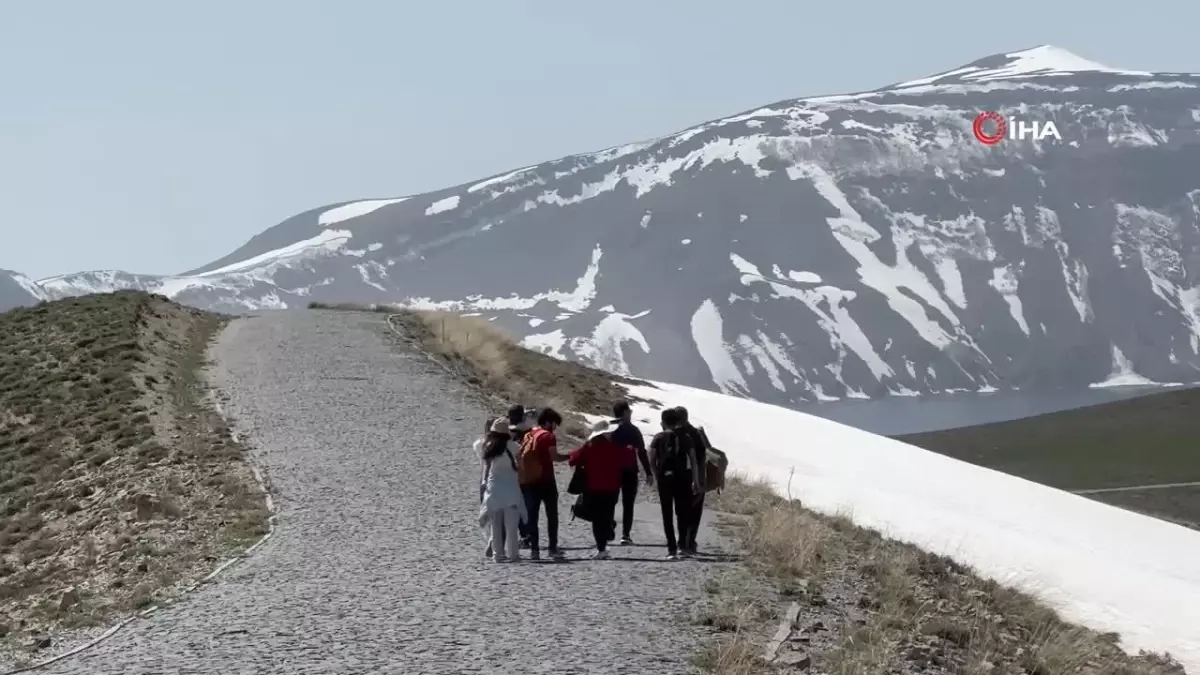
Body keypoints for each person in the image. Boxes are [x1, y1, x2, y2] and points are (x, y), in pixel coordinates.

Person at [567, 419, 632, 559]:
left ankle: (601, 548)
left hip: (592, 487)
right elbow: (628, 461)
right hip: (612, 488)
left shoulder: (588, 446)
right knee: (606, 514)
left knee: (596, 518)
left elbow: (573, 460)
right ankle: (607, 531)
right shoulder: (616, 447)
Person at [649, 407, 702, 560]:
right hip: (683, 479)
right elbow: (693, 460)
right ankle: (682, 547)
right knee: (682, 513)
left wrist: (657, 474)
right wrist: (696, 481)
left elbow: (652, 457)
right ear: (677, 421)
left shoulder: (658, 437)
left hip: (665, 480)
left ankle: (671, 550)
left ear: (663, 422)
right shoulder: (686, 437)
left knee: (667, 514)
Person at [518, 407, 569, 560]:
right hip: (546, 480)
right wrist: (570, 456)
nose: (555, 428)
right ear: (548, 422)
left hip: (530, 480)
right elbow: (554, 457)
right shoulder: (548, 437)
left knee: (533, 515)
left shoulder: (529, 434)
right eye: (554, 424)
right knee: (551, 516)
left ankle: (535, 550)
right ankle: (552, 548)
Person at [478, 418, 527, 562]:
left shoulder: (489, 446)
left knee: (496, 525)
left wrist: (484, 483)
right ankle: (513, 554)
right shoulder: (515, 446)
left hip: (494, 489)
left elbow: (486, 468)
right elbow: (521, 466)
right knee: (511, 526)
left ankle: (497, 554)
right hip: (511, 489)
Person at [611, 400, 652, 545]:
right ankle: (625, 535)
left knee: (609, 501)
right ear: (625, 413)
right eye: (630, 411)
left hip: (611, 471)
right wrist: (648, 472)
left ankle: (608, 527)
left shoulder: (608, 428)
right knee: (628, 504)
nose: (631, 414)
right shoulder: (633, 430)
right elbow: (641, 452)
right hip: (630, 471)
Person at [675, 406, 709, 555]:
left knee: (682, 511)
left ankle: (682, 542)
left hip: (682, 478)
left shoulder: (677, 434)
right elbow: (705, 455)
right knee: (695, 512)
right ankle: (691, 542)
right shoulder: (697, 433)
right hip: (699, 478)